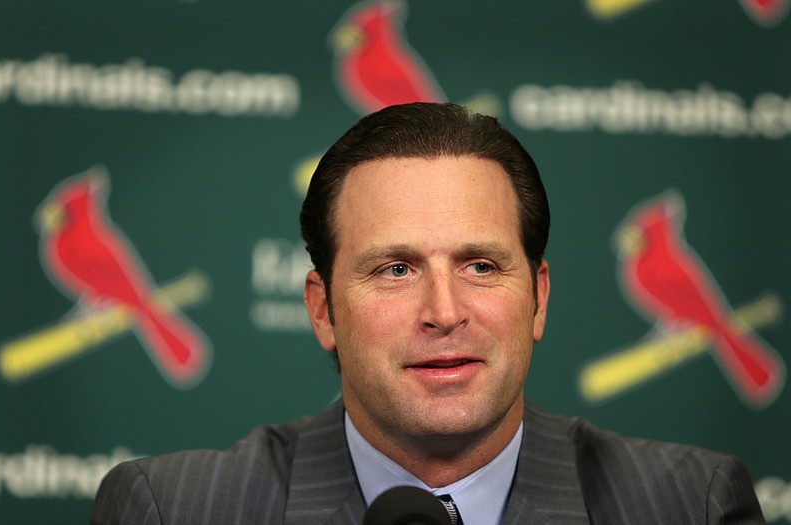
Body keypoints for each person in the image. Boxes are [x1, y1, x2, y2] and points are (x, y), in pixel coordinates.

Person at [91, 102, 765, 524]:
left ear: (540, 298)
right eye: (396, 269)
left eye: (480, 265)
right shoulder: (173, 509)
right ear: (323, 310)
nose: (444, 311)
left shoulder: (689, 505)